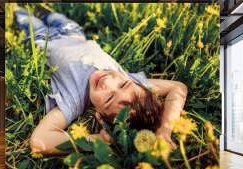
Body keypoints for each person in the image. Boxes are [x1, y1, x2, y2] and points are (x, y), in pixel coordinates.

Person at [14, 8, 188, 155]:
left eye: (109, 98)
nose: (108, 83)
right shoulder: (133, 81)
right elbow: (178, 88)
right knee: (55, 17)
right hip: (73, 33)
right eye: (123, 84)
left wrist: (97, 140)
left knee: (26, 19)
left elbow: (39, 141)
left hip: (43, 39)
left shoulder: (73, 100)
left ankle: (17, 9)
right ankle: (45, 12)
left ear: (99, 115)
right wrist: (165, 129)